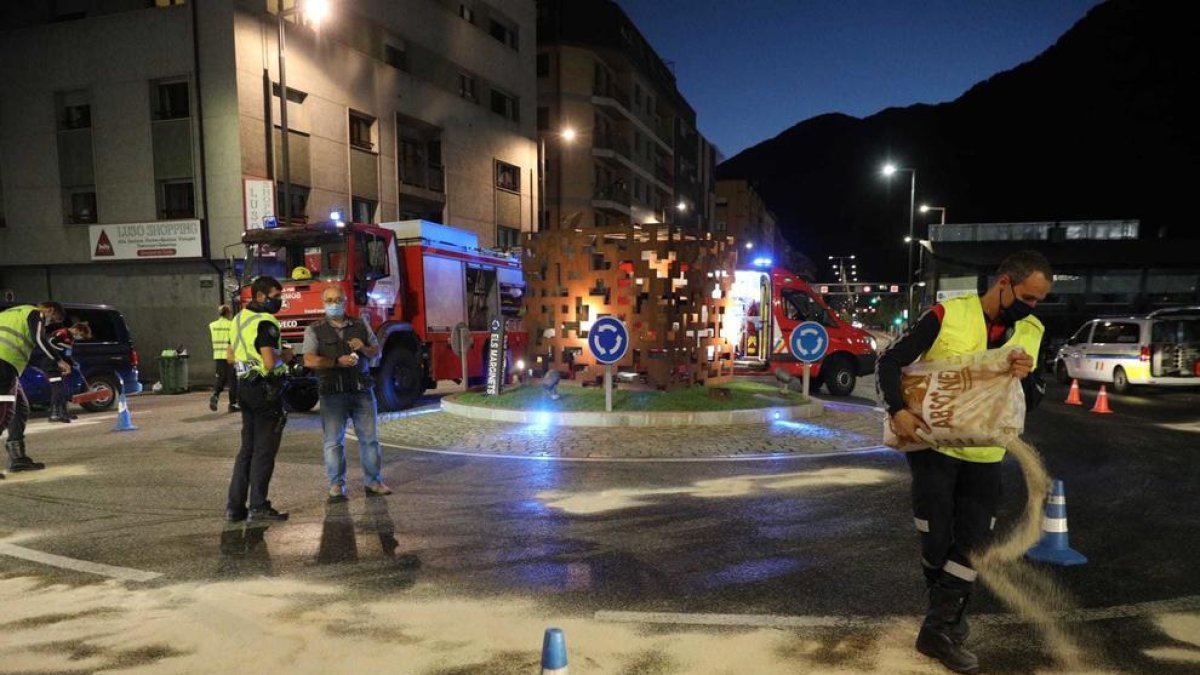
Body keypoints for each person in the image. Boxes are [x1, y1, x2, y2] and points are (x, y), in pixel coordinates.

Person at [876, 250, 1052, 674]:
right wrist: (899, 410)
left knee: (972, 544)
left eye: (1038, 301)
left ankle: (938, 629)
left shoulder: (1032, 330)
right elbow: (889, 361)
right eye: (1028, 297)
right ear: (1004, 282)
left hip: (986, 456)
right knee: (936, 542)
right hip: (934, 450)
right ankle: (948, 618)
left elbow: (1035, 401)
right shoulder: (948, 314)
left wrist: (1026, 379)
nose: (1032, 308)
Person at [302, 284, 390, 502]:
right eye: (329, 300)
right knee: (333, 442)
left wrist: (363, 348)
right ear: (323, 303)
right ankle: (336, 485)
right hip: (332, 392)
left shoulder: (360, 324)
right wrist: (335, 362)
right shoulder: (314, 329)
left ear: (345, 300)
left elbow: (376, 351)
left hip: (361, 390)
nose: (334, 304)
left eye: (338, 299)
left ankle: (374, 481)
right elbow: (309, 359)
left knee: (370, 440)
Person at [225, 277, 291, 522]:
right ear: (261, 296)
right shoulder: (265, 322)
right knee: (264, 450)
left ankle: (235, 507)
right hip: (266, 391)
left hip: (244, 387)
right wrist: (288, 355)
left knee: (247, 450)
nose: (279, 300)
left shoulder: (239, 319)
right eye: (276, 295)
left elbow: (230, 356)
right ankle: (259, 506)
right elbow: (270, 361)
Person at [1, 302, 71, 474]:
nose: (49, 324)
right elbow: (40, 339)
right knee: (4, 411)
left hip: (8, 365)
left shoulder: (13, 312)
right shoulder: (35, 313)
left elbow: (20, 342)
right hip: (3, 363)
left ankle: (18, 457)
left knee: (20, 407)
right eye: (53, 320)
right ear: (50, 310)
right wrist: (59, 360)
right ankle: (17, 457)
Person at [208, 305, 239, 413]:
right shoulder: (232, 325)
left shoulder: (212, 325)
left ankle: (215, 395)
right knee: (232, 380)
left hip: (218, 355)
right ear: (228, 313)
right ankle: (233, 404)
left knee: (221, 378)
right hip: (230, 355)